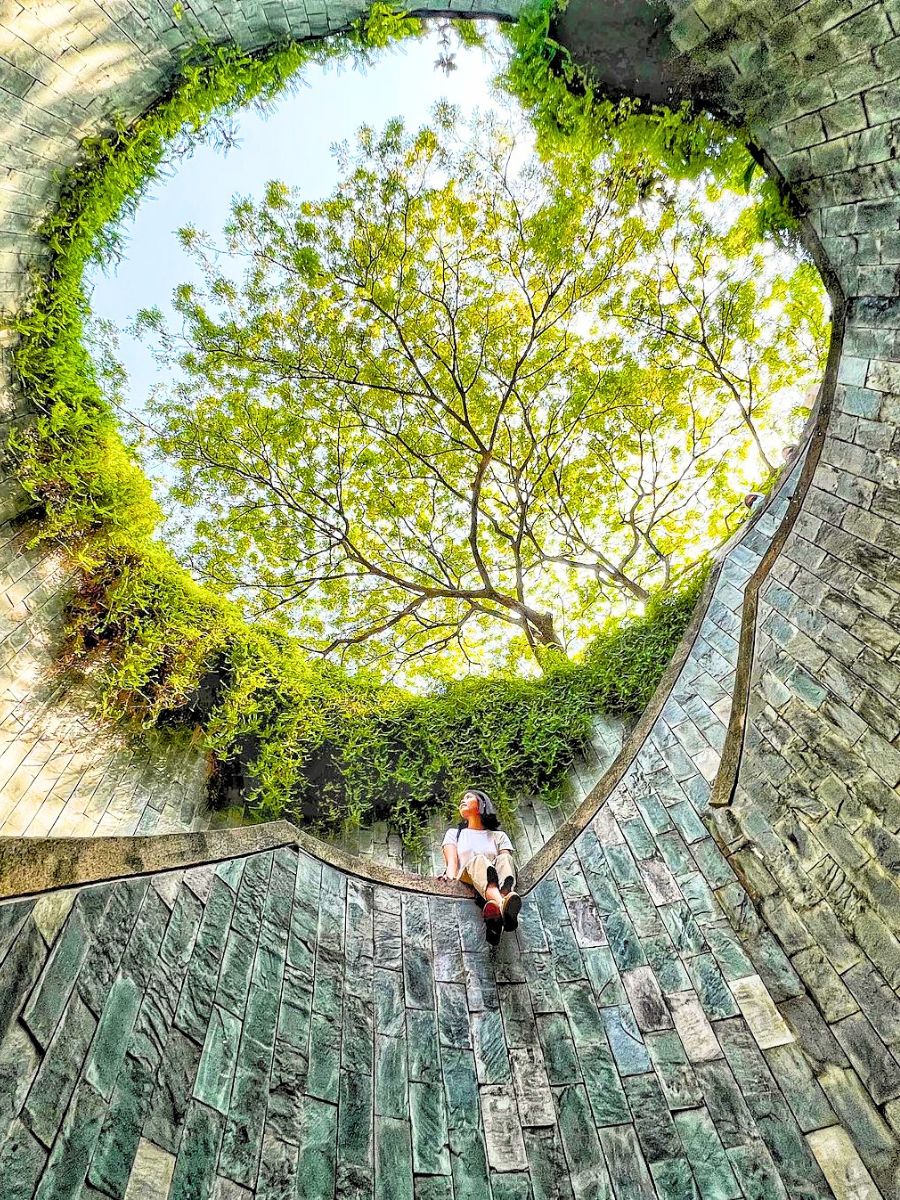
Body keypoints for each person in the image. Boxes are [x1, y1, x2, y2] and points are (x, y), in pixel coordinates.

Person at [438, 788, 521, 945]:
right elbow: (452, 863)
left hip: (497, 880)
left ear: (482, 803)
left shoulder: (499, 836)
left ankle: (496, 915)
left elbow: (506, 865)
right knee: (479, 860)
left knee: (505, 858)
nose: (462, 800)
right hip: (468, 877)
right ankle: (504, 906)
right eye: (462, 798)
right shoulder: (454, 834)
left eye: (468, 797)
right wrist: (448, 879)